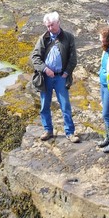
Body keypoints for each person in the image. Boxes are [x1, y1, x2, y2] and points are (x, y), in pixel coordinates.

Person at [31, 11, 79, 143]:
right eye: (47, 26)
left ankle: (70, 132)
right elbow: (35, 58)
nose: (49, 28)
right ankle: (48, 130)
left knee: (65, 105)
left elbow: (73, 58)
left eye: (52, 25)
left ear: (58, 23)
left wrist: (66, 72)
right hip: (46, 78)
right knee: (44, 106)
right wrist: (45, 69)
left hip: (61, 77)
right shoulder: (43, 38)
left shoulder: (68, 37)